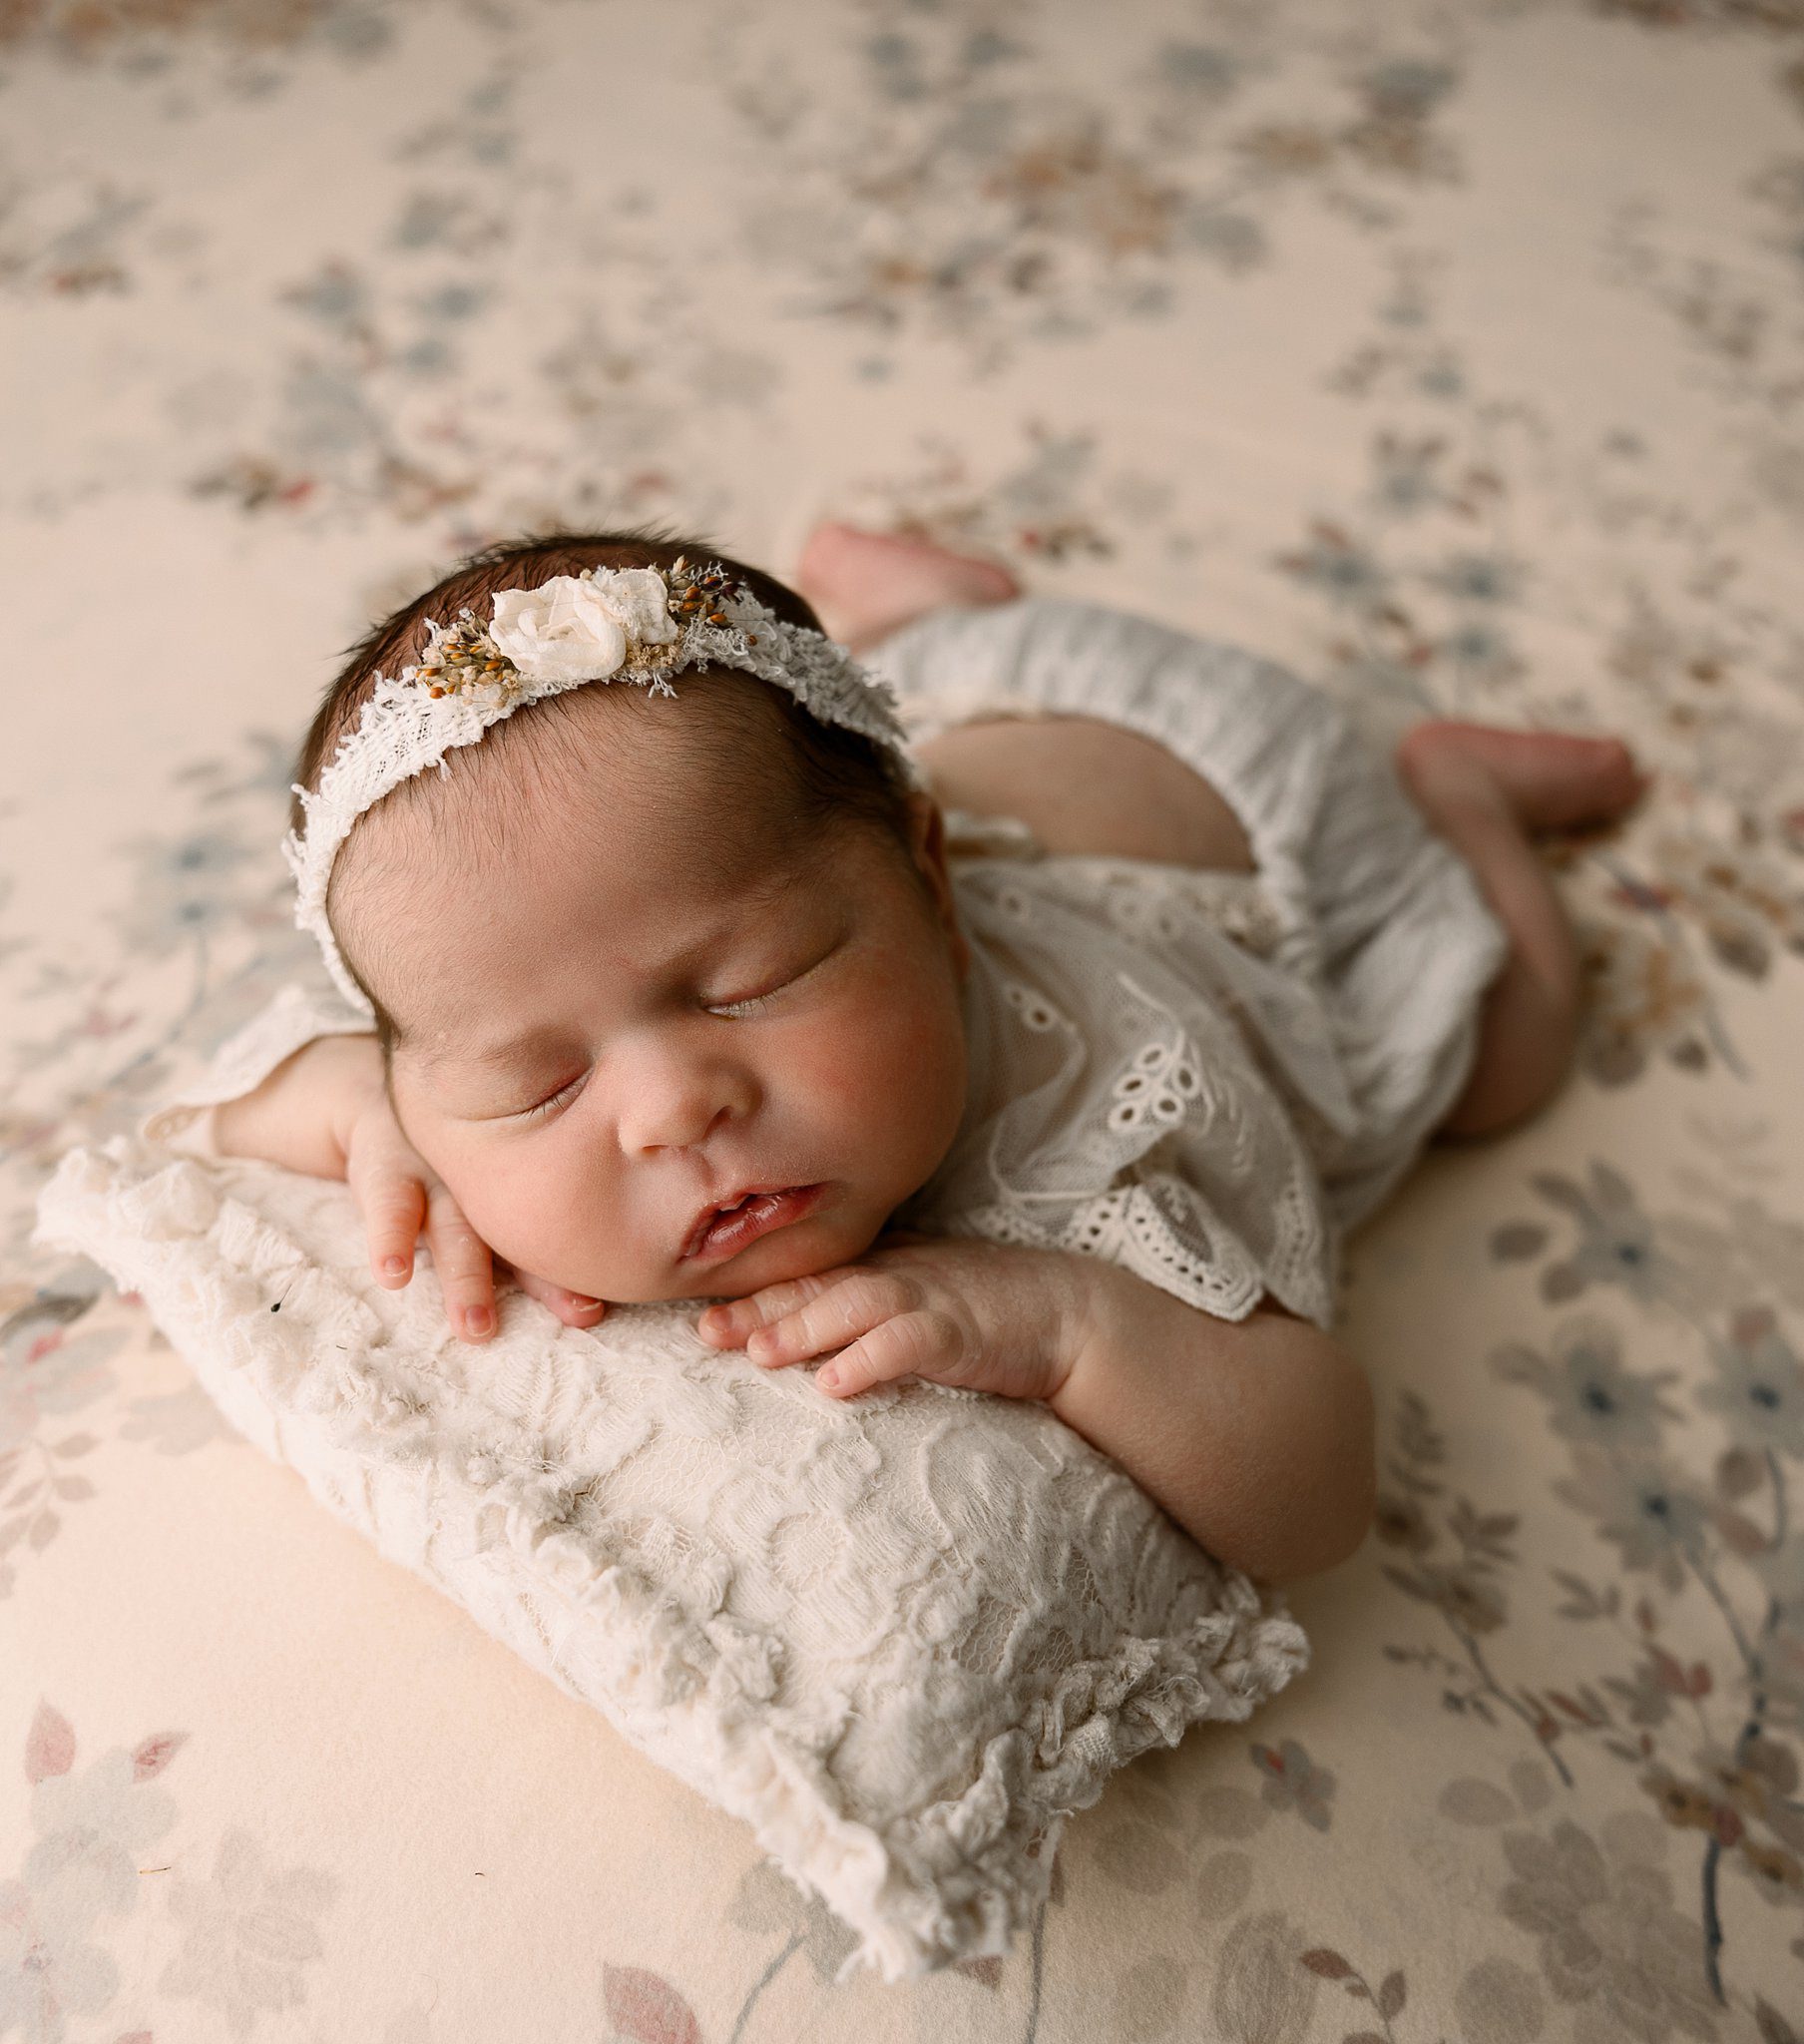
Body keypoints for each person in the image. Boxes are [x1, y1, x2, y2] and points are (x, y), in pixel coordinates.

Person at [142, 521, 1647, 1584]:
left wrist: (1072, 1330)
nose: (672, 1109)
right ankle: (915, 603)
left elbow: (1320, 1495)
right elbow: (215, 1104)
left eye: (751, 983)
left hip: (1281, 819)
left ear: (932, 880)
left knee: (1500, 1061)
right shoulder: (455, 1022)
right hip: (959, 706)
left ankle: (1457, 794)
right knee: (783, 770)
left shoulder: (1102, 1112)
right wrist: (362, 1114)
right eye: (537, 1084)